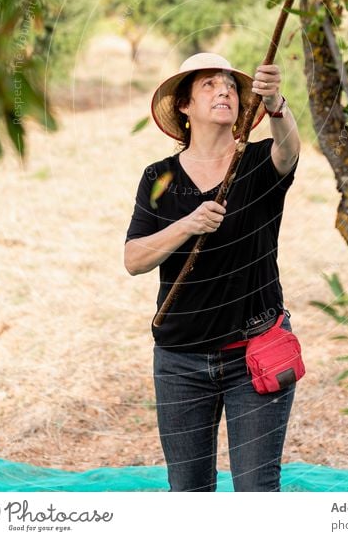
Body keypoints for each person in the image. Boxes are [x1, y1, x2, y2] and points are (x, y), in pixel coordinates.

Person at [124, 52, 300, 492]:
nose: (223, 90)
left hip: (254, 351)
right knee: (188, 493)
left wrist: (276, 100)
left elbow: (289, 148)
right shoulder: (159, 177)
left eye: (230, 86)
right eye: (208, 84)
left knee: (257, 491)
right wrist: (187, 225)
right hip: (180, 360)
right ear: (184, 106)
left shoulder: (259, 164)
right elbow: (134, 259)